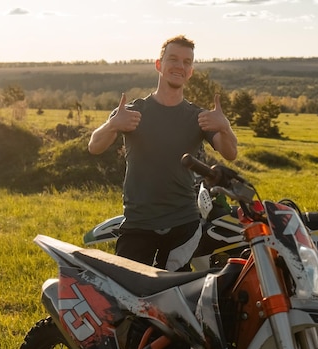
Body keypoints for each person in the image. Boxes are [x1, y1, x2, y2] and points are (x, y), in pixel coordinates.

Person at [88, 35, 238, 271]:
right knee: (128, 295)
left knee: (174, 294)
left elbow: (230, 153)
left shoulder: (198, 117)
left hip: (183, 224)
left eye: (187, 62)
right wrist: (113, 125)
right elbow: (94, 146)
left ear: (191, 72)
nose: (180, 66)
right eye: (173, 59)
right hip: (138, 222)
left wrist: (225, 126)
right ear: (159, 64)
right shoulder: (133, 111)